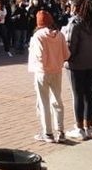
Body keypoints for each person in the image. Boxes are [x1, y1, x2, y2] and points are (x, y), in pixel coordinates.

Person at [62, 0, 92, 141]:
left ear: (76, 8)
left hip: (76, 64)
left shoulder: (75, 23)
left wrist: (66, 58)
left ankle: (79, 128)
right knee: (88, 95)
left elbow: (70, 44)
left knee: (77, 95)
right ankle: (88, 126)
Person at [29, 10, 70, 143]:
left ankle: (48, 133)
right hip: (57, 71)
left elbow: (39, 56)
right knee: (57, 101)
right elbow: (67, 54)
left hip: (42, 72)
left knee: (43, 102)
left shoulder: (38, 36)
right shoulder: (60, 35)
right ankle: (61, 131)